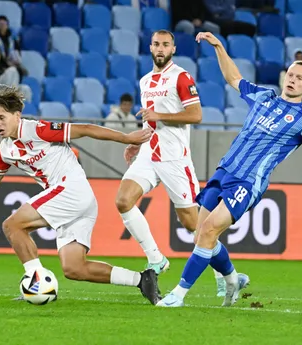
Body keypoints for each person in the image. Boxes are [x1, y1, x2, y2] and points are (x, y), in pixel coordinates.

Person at [157, 32, 302, 308]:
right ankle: (233, 278)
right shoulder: (264, 96)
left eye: (300, 78)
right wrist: (219, 47)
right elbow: (233, 78)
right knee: (200, 233)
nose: (293, 80)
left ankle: (178, 294)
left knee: (210, 229)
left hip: (248, 182)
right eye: (291, 75)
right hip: (224, 171)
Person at [0, 85, 162, 305]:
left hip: (71, 189)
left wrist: (127, 138)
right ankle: (142, 280)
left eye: (2, 117)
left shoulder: (37, 129)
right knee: (74, 268)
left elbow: (86, 129)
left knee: (12, 226)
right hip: (76, 200)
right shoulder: (6, 150)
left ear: (17, 115)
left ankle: (35, 281)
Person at [114, 29, 227, 297]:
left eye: (166, 44)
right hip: (149, 154)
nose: (161, 49)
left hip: (174, 158)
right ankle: (156, 258)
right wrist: (137, 141)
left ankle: (222, 272)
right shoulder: (144, 81)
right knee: (123, 200)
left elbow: (196, 114)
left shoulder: (181, 76)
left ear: (173, 49)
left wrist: (159, 115)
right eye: (156, 44)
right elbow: (149, 118)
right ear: (150, 48)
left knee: (193, 224)